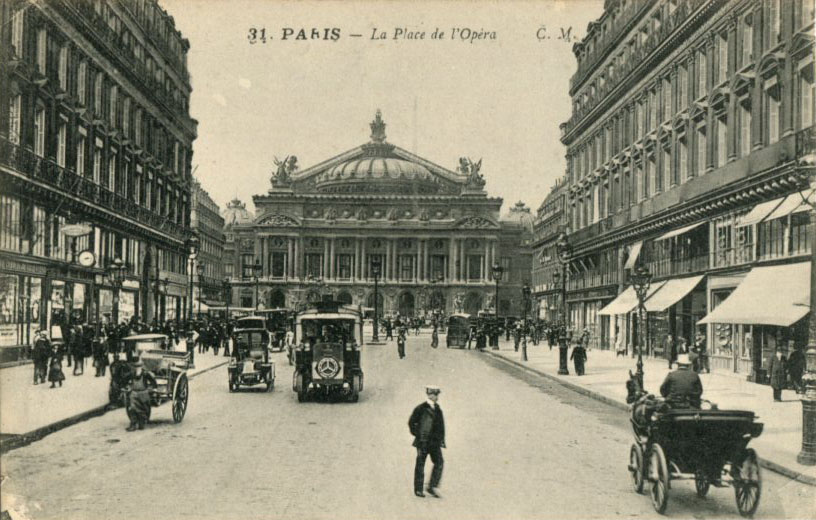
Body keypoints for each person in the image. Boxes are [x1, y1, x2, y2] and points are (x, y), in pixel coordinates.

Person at [408, 385, 446, 498]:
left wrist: (441, 439)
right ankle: (418, 489)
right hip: (423, 442)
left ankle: (432, 487)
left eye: (436, 395)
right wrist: (418, 435)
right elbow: (411, 423)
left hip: (434, 443)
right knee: (420, 464)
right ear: (429, 395)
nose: (436, 397)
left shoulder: (438, 409)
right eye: (434, 395)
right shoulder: (420, 408)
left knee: (439, 462)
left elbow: (441, 426)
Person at [125, 359, 157, 431]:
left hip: (143, 393)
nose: (137, 368)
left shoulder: (146, 374)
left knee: (142, 409)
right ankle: (133, 424)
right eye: (136, 367)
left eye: (139, 366)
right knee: (132, 408)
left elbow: (153, 381)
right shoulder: (132, 374)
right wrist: (126, 386)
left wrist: (154, 388)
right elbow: (125, 379)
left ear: (141, 367)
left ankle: (141, 423)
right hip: (134, 393)